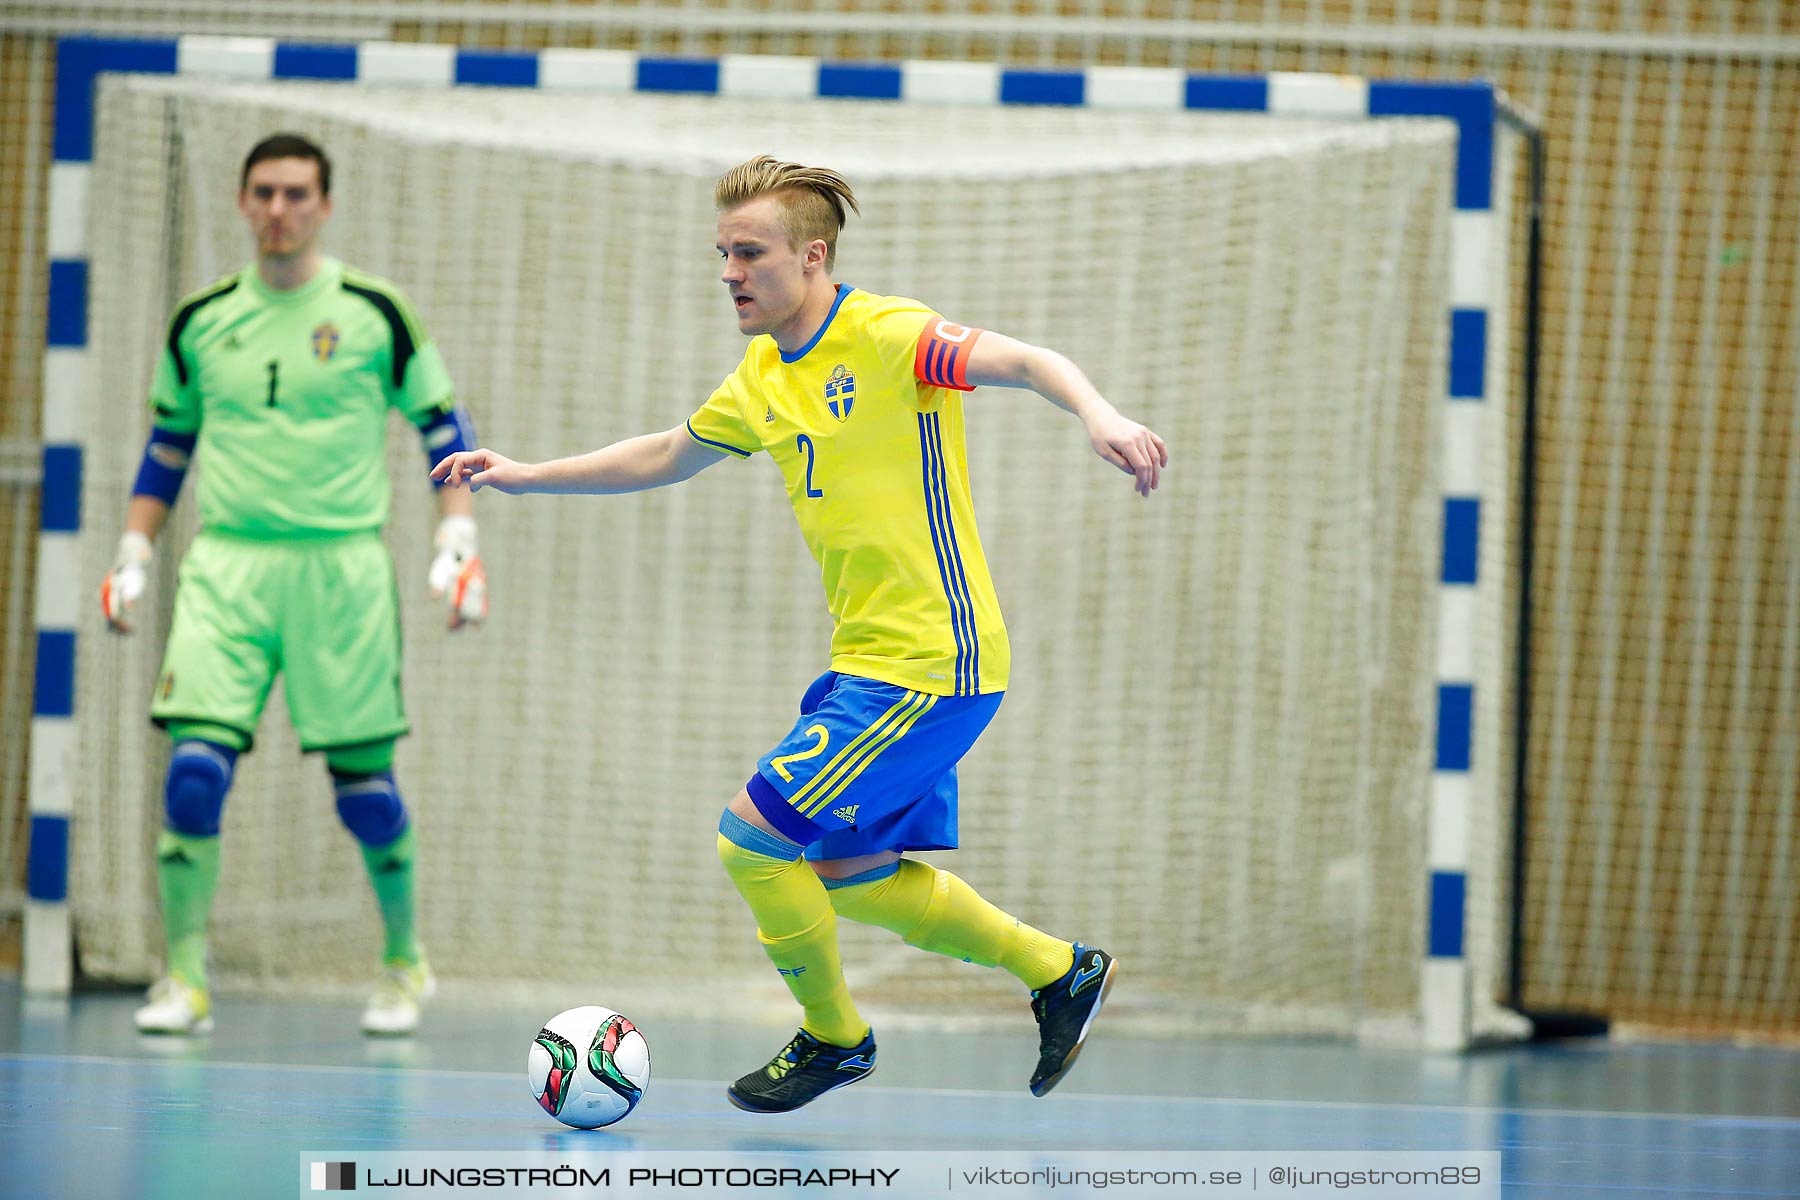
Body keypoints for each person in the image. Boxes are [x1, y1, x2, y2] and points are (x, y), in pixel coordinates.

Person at [433, 155, 1166, 1110]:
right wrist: (525, 473)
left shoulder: (892, 337)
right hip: (871, 664)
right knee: (847, 871)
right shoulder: (764, 373)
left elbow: (1028, 362)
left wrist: (1098, 413)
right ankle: (1059, 971)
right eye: (723, 254)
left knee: (751, 837)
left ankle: (835, 1038)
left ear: (813, 256)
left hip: (932, 664)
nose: (731, 272)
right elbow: (666, 452)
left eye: (751, 253)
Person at [100, 133, 488, 1037]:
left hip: (340, 571)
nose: (279, 209)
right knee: (193, 776)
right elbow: (168, 447)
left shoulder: (374, 314)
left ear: (322, 204)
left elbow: (443, 427)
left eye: (296, 193)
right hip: (227, 568)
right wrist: (132, 551)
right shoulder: (199, 322)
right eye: (264, 192)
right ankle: (184, 979)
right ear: (242, 202)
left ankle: (403, 963)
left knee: (366, 790)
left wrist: (460, 537)